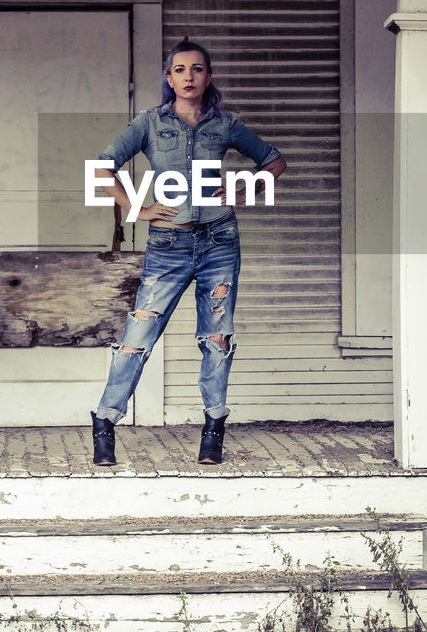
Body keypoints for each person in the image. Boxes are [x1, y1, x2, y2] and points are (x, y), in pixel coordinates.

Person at [90, 38, 287, 466]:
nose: (189, 77)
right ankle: (105, 422)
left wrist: (244, 187)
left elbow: (274, 162)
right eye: (180, 70)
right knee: (137, 338)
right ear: (168, 77)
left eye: (197, 69)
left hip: (219, 241)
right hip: (168, 244)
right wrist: (139, 210)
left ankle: (213, 429)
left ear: (208, 75)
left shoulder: (225, 124)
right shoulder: (149, 122)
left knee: (216, 339)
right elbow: (103, 167)